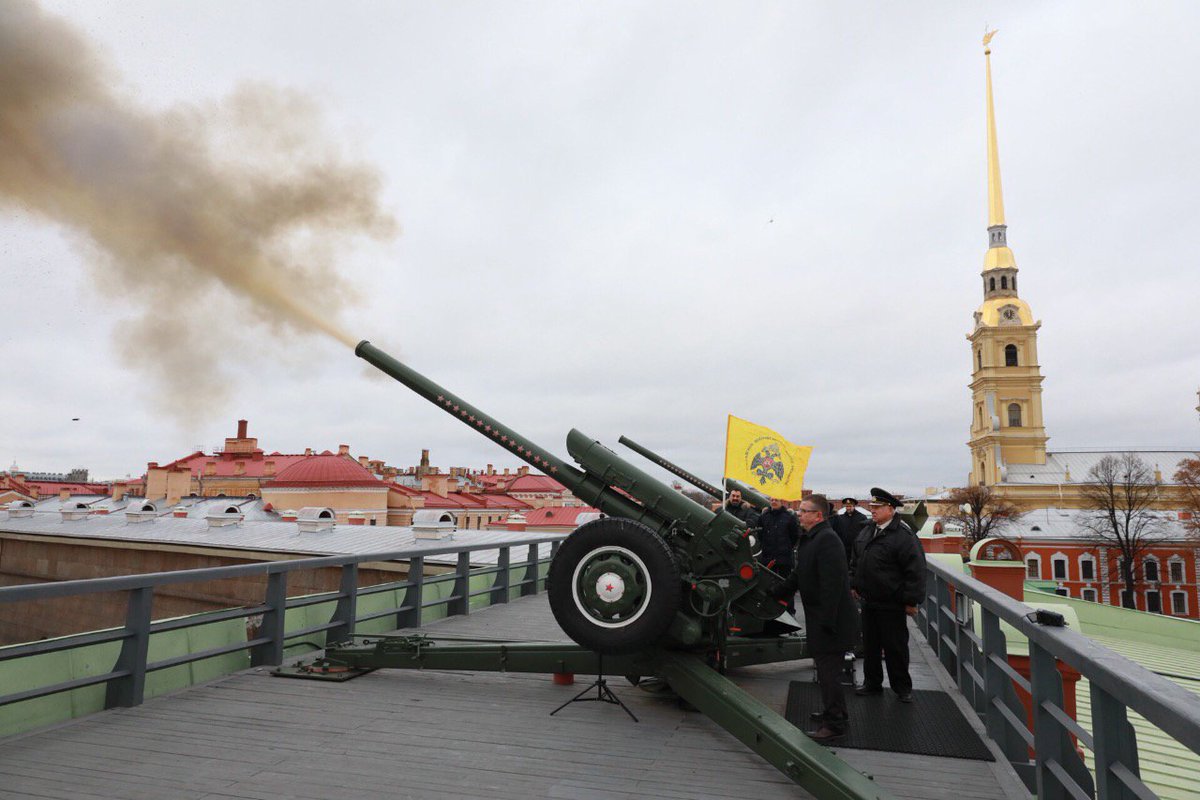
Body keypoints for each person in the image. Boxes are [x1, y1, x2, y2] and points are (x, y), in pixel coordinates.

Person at [773, 494, 857, 741]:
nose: (799, 514)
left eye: (804, 511)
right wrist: (775, 593)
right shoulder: (813, 539)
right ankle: (836, 712)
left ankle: (835, 724)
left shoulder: (827, 540)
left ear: (817, 515)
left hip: (831, 620)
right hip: (821, 617)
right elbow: (798, 575)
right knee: (825, 670)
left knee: (829, 672)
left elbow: (833, 586)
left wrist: (827, 622)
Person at [849, 487, 926, 703]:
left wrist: (911, 601)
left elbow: (915, 570)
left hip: (891, 602)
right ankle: (872, 683)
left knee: (895, 647)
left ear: (890, 509)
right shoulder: (866, 531)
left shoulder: (903, 536)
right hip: (869, 600)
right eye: (871, 507)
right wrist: (853, 583)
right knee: (870, 646)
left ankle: (902, 688)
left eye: (877, 507)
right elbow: (856, 560)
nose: (872, 511)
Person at [758, 495, 801, 612]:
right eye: (771, 500)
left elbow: (794, 536)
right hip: (768, 558)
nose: (773, 502)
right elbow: (760, 535)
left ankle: (789, 611)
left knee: (787, 585)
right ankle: (769, 611)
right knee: (767, 585)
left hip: (784, 559)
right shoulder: (764, 517)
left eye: (776, 500)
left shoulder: (789, 517)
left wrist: (786, 548)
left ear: (781, 501)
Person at [828, 497, 868, 565]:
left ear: (854, 506)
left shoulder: (862, 517)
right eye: (846, 506)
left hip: (856, 548)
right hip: (844, 547)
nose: (848, 508)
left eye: (850, 506)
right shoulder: (841, 518)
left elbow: (865, 533)